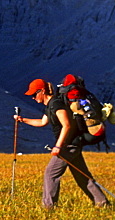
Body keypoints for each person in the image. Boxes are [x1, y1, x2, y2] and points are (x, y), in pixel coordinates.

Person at [16, 78, 108, 210]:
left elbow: (67, 125)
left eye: (34, 94)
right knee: (82, 176)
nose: (32, 97)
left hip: (68, 145)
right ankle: (102, 203)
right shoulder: (50, 106)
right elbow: (42, 122)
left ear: (42, 91)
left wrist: (58, 146)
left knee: (50, 173)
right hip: (73, 143)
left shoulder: (56, 105)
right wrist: (23, 120)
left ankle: (48, 207)